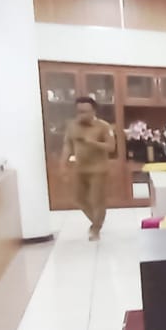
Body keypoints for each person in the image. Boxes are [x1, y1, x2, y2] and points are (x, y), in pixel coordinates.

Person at [61, 95, 117, 240]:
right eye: (79, 111)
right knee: (78, 199)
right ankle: (97, 221)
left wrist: (92, 143)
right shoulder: (72, 126)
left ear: (93, 111)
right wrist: (63, 165)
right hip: (79, 169)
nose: (82, 115)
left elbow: (111, 147)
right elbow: (67, 146)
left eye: (85, 111)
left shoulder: (103, 126)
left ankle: (96, 229)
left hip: (99, 170)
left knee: (97, 200)